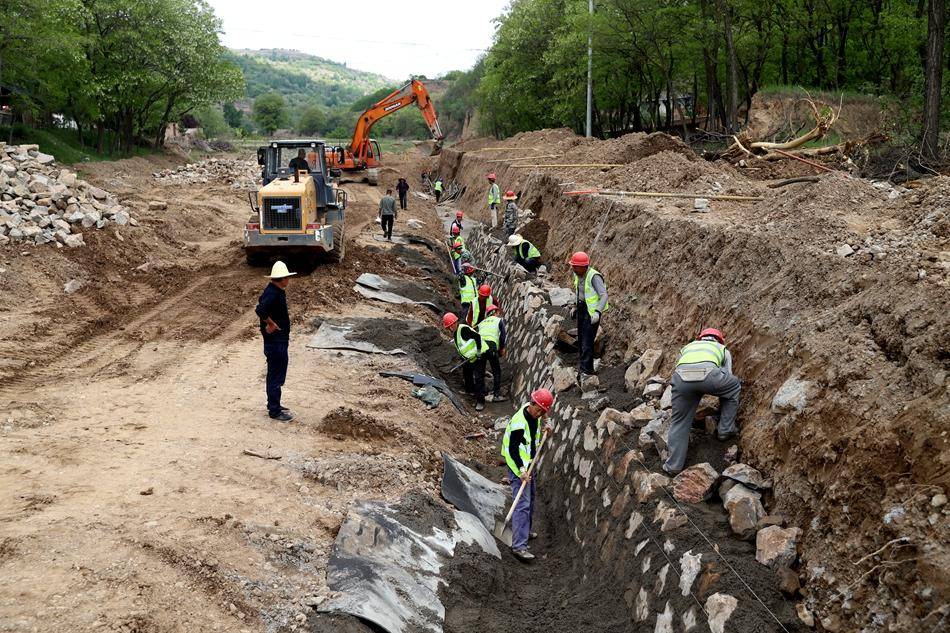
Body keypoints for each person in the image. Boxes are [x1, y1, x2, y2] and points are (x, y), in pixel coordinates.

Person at [663, 329, 741, 475]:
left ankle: (673, 466)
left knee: (679, 422)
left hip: (681, 379)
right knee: (734, 385)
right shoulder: (722, 349)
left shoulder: (688, 347)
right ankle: (725, 430)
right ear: (719, 340)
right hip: (710, 376)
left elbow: (679, 366)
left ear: (700, 338)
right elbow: (727, 375)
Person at [501, 388, 554, 561]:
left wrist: (547, 423)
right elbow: (513, 450)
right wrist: (522, 471)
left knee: (529, 500)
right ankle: (519, 546)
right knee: (522, 504)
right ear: (531, 403)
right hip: (518, 466)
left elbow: (543, 415)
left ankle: (524, 530)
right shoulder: (518, 423)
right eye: (538, 410)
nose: (540, 414)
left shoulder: (535, 411)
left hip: (529, 462)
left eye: (543, 411)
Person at [255, 261, 297, 422]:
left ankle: (274, 404)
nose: (288, 280)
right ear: (283, 278)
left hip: (278, 340)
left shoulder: (274, 290)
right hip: (275, 341)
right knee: (276, 375)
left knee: (277, 373)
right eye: (287, 277)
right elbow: (260, 310)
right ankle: (274, 410)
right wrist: (271, 324)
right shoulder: (273, 293)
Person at [569, 251, 608, 377]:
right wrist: (575, 306)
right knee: (581, 339)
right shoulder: (577, 274)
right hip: (582, 308)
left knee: (587, 342)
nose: (573, 268)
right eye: (573, 266)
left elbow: (603, 295)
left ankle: (587, 372)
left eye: (575, 266)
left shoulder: (594, 276)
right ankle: (583, 366)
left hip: (591, 313)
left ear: (583, 267)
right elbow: (579, 291)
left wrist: (597, 312)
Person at [443, 312, 488, 411]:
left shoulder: (463, 329)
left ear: (455, 322)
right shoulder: (455, 333)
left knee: (478, 378)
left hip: (480, 355)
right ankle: (470, 391)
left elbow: (477, 337)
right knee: (466, 372)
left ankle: (481, 401)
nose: (451, 328)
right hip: (470, 357)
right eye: (449, 327)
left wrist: (479, 351)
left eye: (452, 325)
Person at [477, 304, 508, 402]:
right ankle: (496, 395)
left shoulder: (481, 323)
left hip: (480, 348)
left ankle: (480, 399)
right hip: (491, 347)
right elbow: (502, 337)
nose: (499, 314)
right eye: (498, 312)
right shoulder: (499, 320)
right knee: (496, 371)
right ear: (496, 312)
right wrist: (501, 349)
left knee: (480, 372)